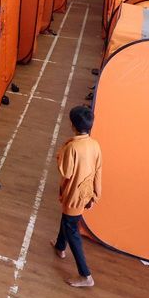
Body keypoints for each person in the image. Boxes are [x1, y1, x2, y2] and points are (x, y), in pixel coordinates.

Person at [50, 105, 102, 288]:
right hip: (86, 193)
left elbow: (66, 171)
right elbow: (98, 171)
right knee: (67, 220)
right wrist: (95, 195)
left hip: (74, 195)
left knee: (72, 229)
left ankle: (86, 275)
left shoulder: (72, 146)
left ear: (73, 125)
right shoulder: (95, 145)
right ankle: (60, 247)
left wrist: (60, 154)